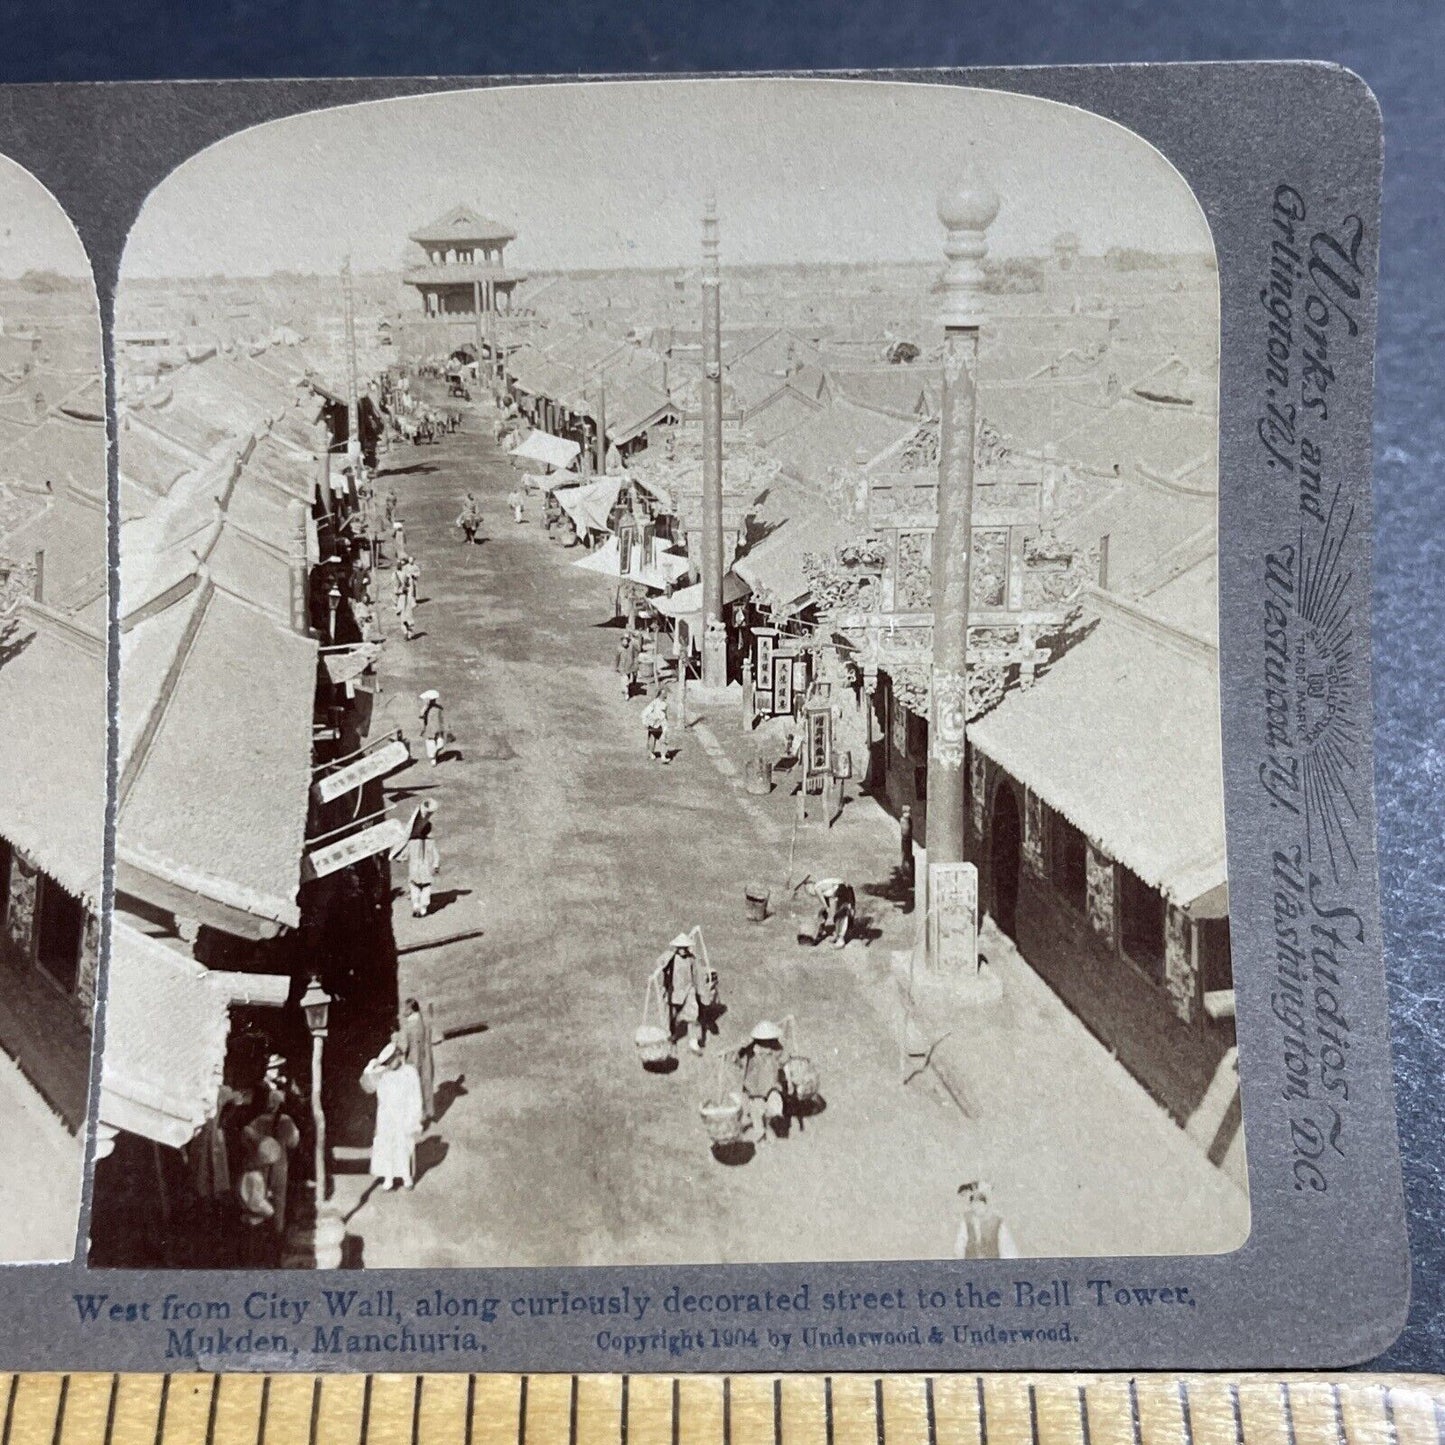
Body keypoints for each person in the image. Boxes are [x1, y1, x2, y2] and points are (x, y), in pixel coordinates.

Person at [360, 1039, 425, 1191]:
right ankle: (388, 1178)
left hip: (403, 1116)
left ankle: (406, 1177)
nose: (390, 1064)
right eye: (387, 1062)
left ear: (398, 1056)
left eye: (392, 1060)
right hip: (386, 1117)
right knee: (386, 1146)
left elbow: (416, 1097)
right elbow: (367, 1086)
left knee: (404, 1146)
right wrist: (372, 1066)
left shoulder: (410, 1072)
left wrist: (414, 1118)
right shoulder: (382, 1074)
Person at [652, 930, 716, 1056]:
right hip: (673, 992)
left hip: (688, 991)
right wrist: (661, 965)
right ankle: (670, 1037)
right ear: (676, 947)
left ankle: (693, 1042)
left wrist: (703, 995)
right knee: (670, 1017)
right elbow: (660, 963)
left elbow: (698, 976)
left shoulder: (692, 959)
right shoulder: (670, 956)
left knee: (693, 1016)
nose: (682, 950)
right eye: (680, 948)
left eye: (684, 948)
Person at [731, 1021, 788, 1145]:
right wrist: (740, 1047)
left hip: (770, 1085)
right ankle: (760, 1130)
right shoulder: (751, 1048)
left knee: (770, 1109)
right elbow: (736, 1060)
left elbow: (784, 1061)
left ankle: (766, 1129)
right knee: (756, 1109)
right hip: (754, 1086)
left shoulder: (776, 1049)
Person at [236, 1136, 284, 1266]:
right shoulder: (256, 1177)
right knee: (255, 1254)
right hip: (255, 1222)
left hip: (246, 1217)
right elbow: (256, 1202)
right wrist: (271, 1211)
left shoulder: (247, 1172)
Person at [394, 801, 441, 916]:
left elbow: (404, 854)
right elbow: (436, 855)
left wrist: (400, 858)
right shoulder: (431, 842)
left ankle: (416, 904)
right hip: (427, 870)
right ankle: (424, 907)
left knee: (414, 887)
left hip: (414, 869)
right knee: (426, 888)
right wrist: (435, 865)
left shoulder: (412, 842)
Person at [953, 1181, 1018, 1260]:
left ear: (985, 1203)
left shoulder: (997, 1222)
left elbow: (1008, 1250)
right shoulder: (967, 1220)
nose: (976, 1206)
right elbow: (959, 1246)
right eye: (973, 1202)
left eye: (979, 1202)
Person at [400, 998, 436, 1125]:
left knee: (414, 1088)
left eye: (406, 1008)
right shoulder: (421, 1020)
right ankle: (428, 1111)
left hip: (413, 1060)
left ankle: (419, 1114)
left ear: (411, 1010)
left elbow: (404, 1046)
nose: (403, 1011)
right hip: (423, 1057)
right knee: (425, 1083)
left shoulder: (410, 1025)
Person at [809, 877, 856, 948]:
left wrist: (818, 934)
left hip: (843, 889)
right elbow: (825, 909)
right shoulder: (824, 887)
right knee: (837, 916)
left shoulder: (817, 887)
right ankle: (838, 937)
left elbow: (825, 906)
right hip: (843, 890)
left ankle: (841, 940)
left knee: (841, 915)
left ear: (810, 886)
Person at [419, 689, 446, 766]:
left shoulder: (439, 708)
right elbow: (421, 718)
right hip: (429, 730)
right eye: (431, 700)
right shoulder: (424, 709)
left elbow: (442, 718)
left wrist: (444, 727)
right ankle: (433, 759)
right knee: (431, 745)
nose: (433, 701)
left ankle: (434, 754)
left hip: (438, 729)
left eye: (434, 700)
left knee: (440, 745)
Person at [641, 691, 669, 764]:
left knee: (663, 739)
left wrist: (666, 724)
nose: (665, 695)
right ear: (659, 694)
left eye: (665, 694)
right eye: (663, 694)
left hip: (662, 725)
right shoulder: (654, 703)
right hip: (653, 725)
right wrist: (645, 722)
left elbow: (665, 715)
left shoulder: (665, 704)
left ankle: (663, 756)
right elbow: (645, 712)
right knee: (652, 741)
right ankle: (651, 753)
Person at [616, 629, 640, 700]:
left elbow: (636, 654)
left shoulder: (632, 646)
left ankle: (628, 688)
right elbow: (617, 658)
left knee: (628, 679)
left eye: (626, 640)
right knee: (625, 680)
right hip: (622, 667)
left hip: (630, 666)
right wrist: (616, 666)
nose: (625, 642)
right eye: (624, 640)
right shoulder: (619, 648)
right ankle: (626, 693)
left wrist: (636, 664)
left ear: (629, 641)